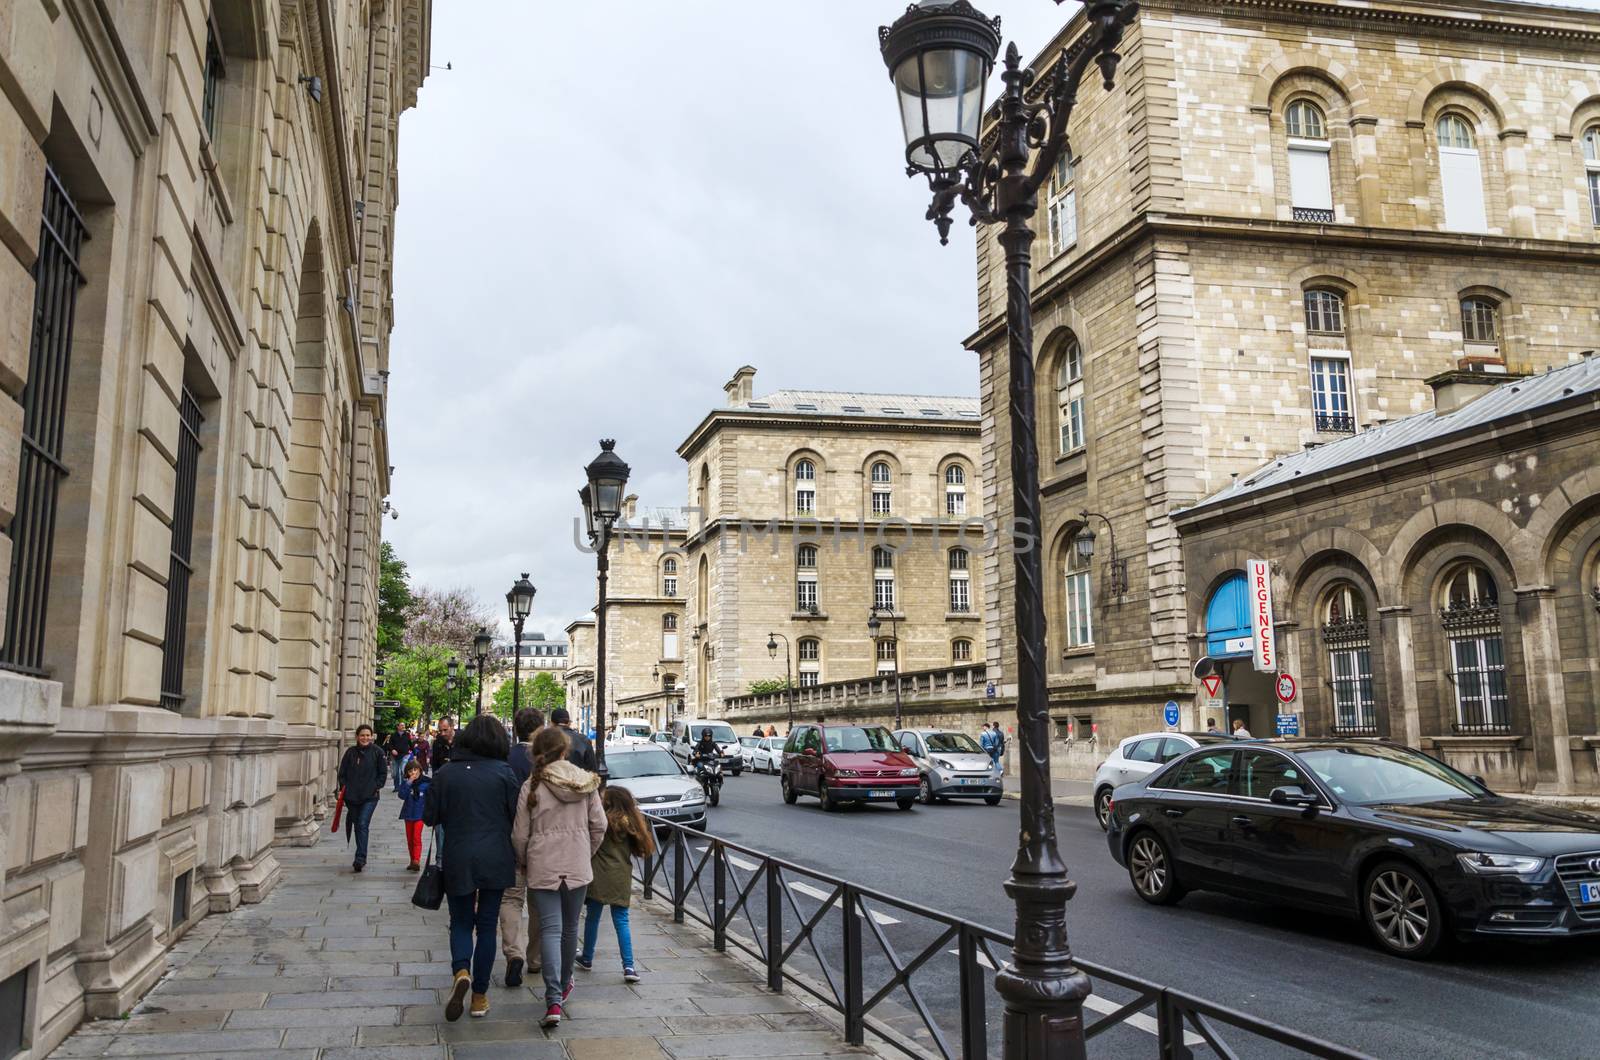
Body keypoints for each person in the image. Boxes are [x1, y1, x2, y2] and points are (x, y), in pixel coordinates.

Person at [423, 715, 520, 1022]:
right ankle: (479, 996)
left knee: (461, 921)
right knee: (487, 924)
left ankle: (461, 970)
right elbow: (516, 817)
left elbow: (429, 817)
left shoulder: (446, 773)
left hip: (458, 855)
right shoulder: (504, 772)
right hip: (495, 856)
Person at [511, 727, 605, 1029]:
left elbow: (519, 835)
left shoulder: (532, 785)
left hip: (543, 865)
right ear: (565, 750)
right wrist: (585, 852)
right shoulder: (586, 782)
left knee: (550, 930)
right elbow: (599, 825)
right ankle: (565, 985)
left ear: (537, 752)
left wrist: (526, 861)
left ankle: (553, 999)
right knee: (569, 929)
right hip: (577, 863)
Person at [576, 785, 655, 983]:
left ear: (608, 802)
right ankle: (629, 966)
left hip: (599, 873)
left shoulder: (601, 821)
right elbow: (641, 850)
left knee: (592, 917)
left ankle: (587, 957)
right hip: (621, 875)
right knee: (621, 920)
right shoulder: (632, 823)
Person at [500, 707, 546, 987]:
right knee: (540, 902)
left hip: (510, 841)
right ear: (540, 727)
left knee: (511, 900)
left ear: (515, 729)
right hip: (543, 844)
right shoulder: (546, 761)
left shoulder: (505, 758)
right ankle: (535, 958)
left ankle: (513, 952)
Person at [337, 724, 386, 873]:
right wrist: (345, 788)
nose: (365, 738)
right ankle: (360, 853)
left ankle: (360, 858)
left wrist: (376, 786)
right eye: (362, 735)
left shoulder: (378, 752)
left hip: (370, 797)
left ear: (372, 736)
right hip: (352, 797)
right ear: (357, 737)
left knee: (363, 824)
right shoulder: (350, 753)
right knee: (357, 825)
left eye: (368, 735)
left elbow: (383, 773)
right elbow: (342, 774)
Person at [397, 760, 429, 870]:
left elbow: (432, 797)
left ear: (420, 770)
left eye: (415, 770)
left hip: (420, 814)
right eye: (410, 771)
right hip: (408, 813)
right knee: (410, 839)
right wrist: (409, 782)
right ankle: (412, 860)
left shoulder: (426, 783)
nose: (413, 773)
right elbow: (401, 795)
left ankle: (416, 860)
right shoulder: (406, 783)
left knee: (416, 837)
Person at [385, 724, 412, 793]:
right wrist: (392, 750)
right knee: (396, 773)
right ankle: (396, 787)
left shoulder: (407, 734)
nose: (403, 727)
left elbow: (410, 744)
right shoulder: (393, 735)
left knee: (403, 771)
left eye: (404, 726)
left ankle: (403, 786)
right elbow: (389, 745)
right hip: (395, 757)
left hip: (404, 755)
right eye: (401, 725)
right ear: (398, 727)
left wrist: (413, 752)